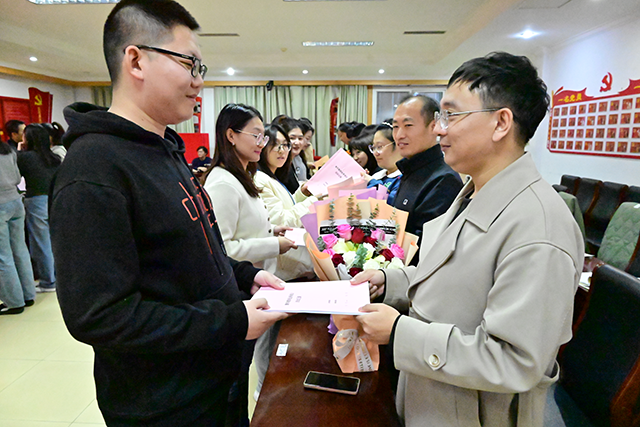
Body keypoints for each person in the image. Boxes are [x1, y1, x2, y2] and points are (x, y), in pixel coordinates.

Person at [49, 1, 286, 426]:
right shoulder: (94, 170)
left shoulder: (164, 150)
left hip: (215, 379)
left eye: (201, 67)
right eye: (189, 64)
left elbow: (190, 250)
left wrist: (243, 276)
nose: (199, 81)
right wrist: (229, 321)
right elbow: (99, 316)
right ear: (136, 60)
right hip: (165, 402)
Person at [352, 52, 584, 427]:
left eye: (452, 115)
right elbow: (453, 276)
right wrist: (389, 281)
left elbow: (514, 361)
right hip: (436, 398)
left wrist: (399, 332)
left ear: (501, 123)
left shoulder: (539, 227)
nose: (440, 130)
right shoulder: (474, 192)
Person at [203, 103, 296, 427]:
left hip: (254, 281)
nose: (262, 142)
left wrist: (273, 231)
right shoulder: (223, 183)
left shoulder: (242, 175)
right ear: (231, 135)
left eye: (263, 136)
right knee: (237, 372)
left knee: (248, 365)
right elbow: (223, 247)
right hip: (238, 287)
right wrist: (274, 244)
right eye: (256, 135)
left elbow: (247, 227)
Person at [253, 123, 317, 400]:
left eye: (285, 145)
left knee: (277, 331)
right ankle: (262, 387)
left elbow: (287, 206)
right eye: (275, 145)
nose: (282, 150)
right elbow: (282, 219)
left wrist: (303, 194)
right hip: (277, 264)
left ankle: (267, 384)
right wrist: (316, 200)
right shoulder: (259, 178)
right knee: (269, 333)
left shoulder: (274, 176)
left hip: (287, 263)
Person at [392, 94, 463, 248]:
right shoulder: (409, 170)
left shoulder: (444, 180)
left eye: (408, 125)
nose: (399, 135)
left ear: (433, 127)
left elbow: (426, 247)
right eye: (395, 127)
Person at [17, 124, 60, 293]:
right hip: (55, 199)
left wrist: (19, 151)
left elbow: (15, 176)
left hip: (36, 200)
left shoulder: (24, 157)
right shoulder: (54, 157)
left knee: (41, 243)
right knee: (55, 241)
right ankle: (57, 277)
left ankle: (48, 281)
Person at [0, 138, 36, 315]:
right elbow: (17, 177)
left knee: (3, 256)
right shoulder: (8, 150)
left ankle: (14, 302)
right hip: (15, 201)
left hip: (0, 204)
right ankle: (28, 295)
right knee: (20, 250)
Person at [364, 121, 403, 205]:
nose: (375, 153)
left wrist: (372, 183)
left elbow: (392, 204)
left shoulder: (404, 178)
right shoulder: (377, 176)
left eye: (379, 147)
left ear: (397, 145)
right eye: (373, 148)